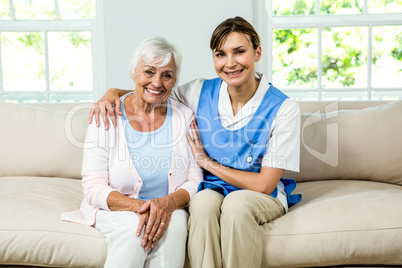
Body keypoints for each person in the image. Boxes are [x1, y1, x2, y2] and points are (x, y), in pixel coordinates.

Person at [90, 17, 302, 268]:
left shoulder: (284, 108)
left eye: (239, 52)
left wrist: (207, 163)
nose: (230, 63)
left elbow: (265, 184)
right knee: (200, 205)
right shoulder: (199, 91)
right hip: (212, 189)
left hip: (257, 194)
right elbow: (155, 91)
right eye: (220, 54)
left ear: (257, 52)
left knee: (236, 206)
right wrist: (113, 92)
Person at [62, 36, 203, 268]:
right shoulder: (106, 114)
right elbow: (93, 185)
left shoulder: (184, 116)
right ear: (133, 73)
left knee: (176, 225)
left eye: (166, 75)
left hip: (169, 204)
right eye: (149, 72)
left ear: (174, 80)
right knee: (132, 229)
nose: (157, 82)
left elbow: (194, 178)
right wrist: (141, 207)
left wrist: (166, 204)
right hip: (116, 207)